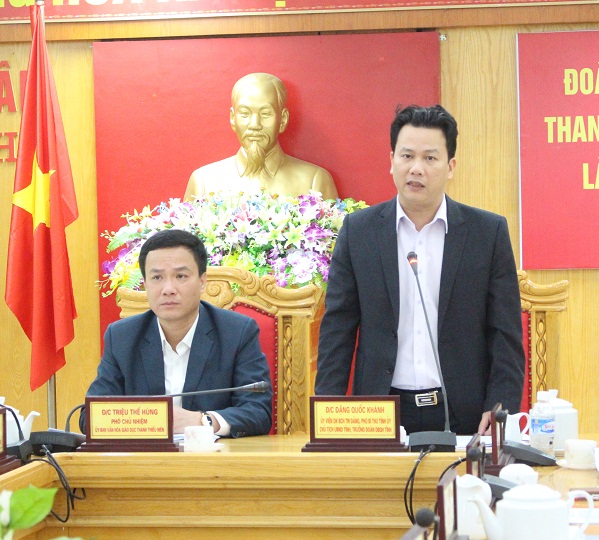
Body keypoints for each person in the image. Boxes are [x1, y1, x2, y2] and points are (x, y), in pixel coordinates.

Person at [315, 104, 524, 436]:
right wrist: (328, 411)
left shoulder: (487, 233)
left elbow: (505, 334)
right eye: (407, 156)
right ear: (392, 160)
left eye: (430, 158)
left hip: (465, 411)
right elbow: (337, 329)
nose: (416, 168)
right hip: (378, 410)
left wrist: (500, 407)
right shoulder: (359, 232)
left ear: (450, 166)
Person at [81, 229, 272, 437]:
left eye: (180, 276)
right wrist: (147, 422)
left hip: (214, 456)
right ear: (145, 285)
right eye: (157, 277)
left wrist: (202, 421)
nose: (168, 289)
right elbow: (90, 417)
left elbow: (258, 411)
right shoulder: (122, 337)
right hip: (144, 455)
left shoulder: (236, 332)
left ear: (202, 281)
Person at [184, 72, 338, 201]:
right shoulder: (203, 182)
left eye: (265, 114)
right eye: (244, 113)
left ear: (283, 119)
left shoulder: (315, 181)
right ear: (232, 118)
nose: (254, 124)